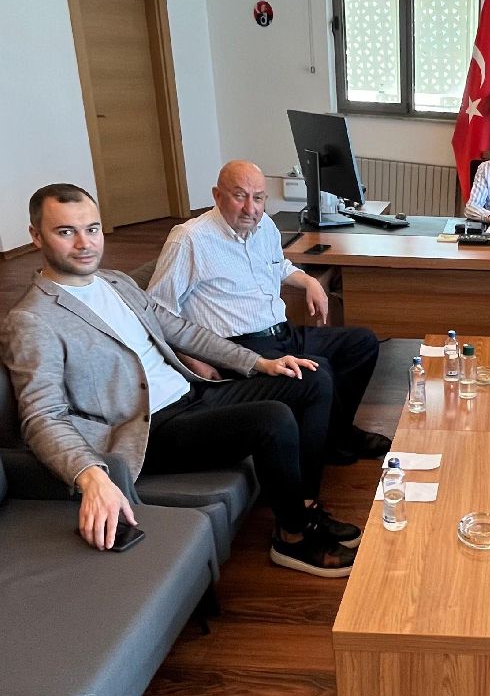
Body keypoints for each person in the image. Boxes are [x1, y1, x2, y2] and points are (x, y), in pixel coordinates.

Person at [0, 184, 361, 578]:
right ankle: (291, 538)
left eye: (92, 229)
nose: (84, 244)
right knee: (273, 420)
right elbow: (41, 416)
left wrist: (260, 363)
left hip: (191, 394)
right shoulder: (31, 319)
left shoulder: (115, 283)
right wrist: (89, 475)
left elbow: (181, 331)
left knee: (310, 377)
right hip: (148, 428)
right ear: (36, 236)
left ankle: (303, 508)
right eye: (66, 232)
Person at [147, 160, 389, 465]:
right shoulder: (189, 239)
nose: (251, 208)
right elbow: (154, 311)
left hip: (282, 332)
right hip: (238, 347)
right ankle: (321, 454)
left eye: (258, 198)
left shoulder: (266, 227)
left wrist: (309, 280)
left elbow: (279, 266)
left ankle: (336, 434)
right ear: (217, 195)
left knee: (361, 343)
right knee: (318, 371)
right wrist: (193, 360)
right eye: (240, 196)